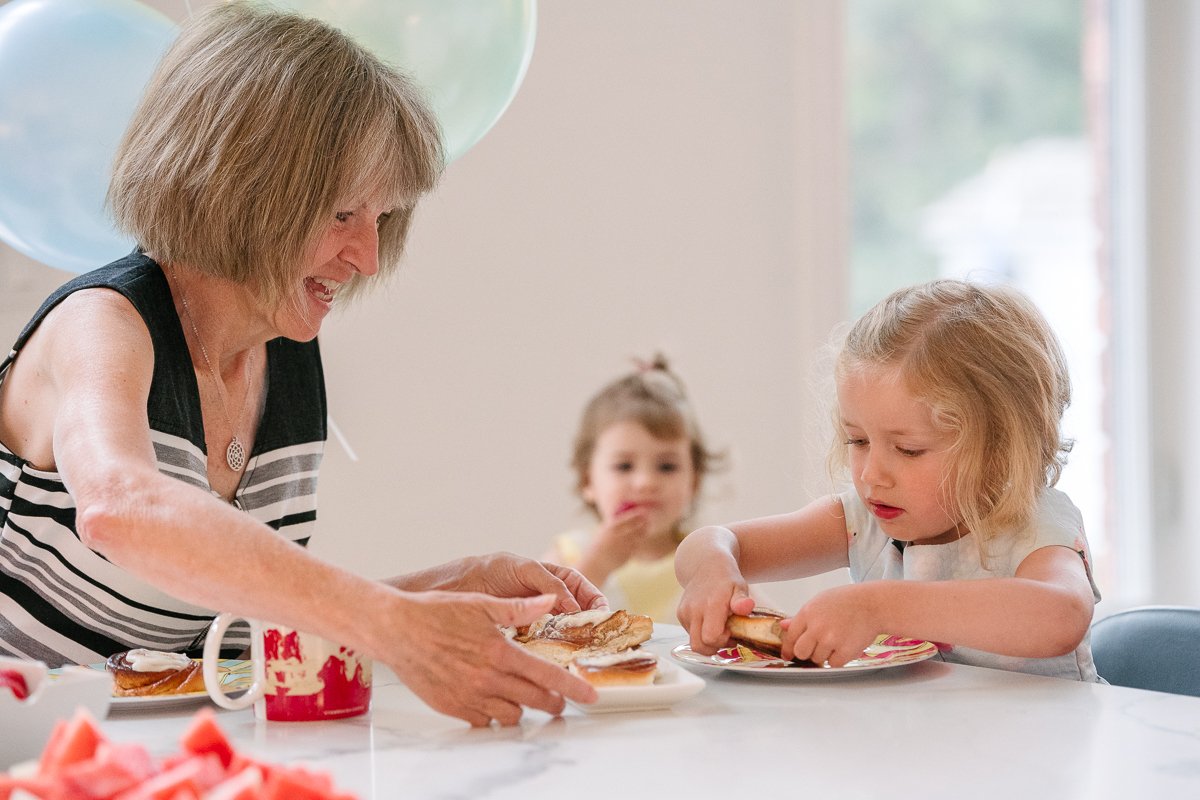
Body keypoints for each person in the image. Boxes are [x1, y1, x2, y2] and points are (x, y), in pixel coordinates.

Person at [0, 2, 605, 727]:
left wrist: (444, 588)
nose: (368, 257)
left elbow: (221, 641)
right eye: (342, 214)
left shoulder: (284, 356)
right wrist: (393, 622)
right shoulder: (105, 323)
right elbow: (122, 510)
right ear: (242, 186)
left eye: (381, 219)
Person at [675, 280, 1103, 681]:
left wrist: (879, 606)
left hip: (1047, 751)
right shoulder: (863, 521)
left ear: (999, 450)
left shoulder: (1035, 522)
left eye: (909, 450)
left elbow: (1061, 616)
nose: (870, 474)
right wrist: (713, 569)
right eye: (857, 440)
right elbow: (712, 542)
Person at [544, 355, 723, 624]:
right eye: (624, 466)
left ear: (694, 481)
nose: (645, 482)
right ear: (587, 481)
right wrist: (596, 565)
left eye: (666, 467)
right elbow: (532, 629)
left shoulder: (709, 560)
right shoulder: (570, 555)